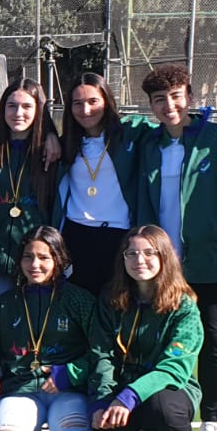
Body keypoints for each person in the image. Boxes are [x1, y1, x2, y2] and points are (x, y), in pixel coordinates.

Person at [135, 64, 217, 431]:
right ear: (149, 105)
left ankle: (213, 418)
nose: (169, 105)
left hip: (208, 262)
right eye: (158, 100)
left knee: (215, 342)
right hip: (160, 268)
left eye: (175, 96)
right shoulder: (149, 145)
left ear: (188, 95)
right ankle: (162, 414)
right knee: (159, 342)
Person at [87, 226, 204, 431]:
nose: (139, 260)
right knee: (98, 415)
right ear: (123, 258)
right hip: (121, 387)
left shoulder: (183, 305)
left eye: (149, 253)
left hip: (168, 391)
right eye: (132, 253)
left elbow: (174, 368)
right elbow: (101, 353)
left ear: (165, 257)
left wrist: (128, 396)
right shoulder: (110, 298)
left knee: (162, 407)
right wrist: (104, 397)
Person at [0, 226, 96, 431]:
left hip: (67, 392)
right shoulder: (4, 305)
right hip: (20, 389)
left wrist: (69, 374)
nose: (34, 264)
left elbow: (102, 352)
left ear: (59, 260)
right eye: (28, 256)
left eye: (44, 257)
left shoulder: (80, 301)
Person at [54, 73, 142, 295]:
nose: (85, 110)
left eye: (93, 101)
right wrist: (48, 135)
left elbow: (168, 127)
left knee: (115, 306)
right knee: (79, 307)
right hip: (76, 236)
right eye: (78, 103)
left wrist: (200, 123)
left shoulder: (128, 136)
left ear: (107, 101)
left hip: (118, 235)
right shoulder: (65, 144)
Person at [0, 79, 60, 301]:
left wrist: (50, 134)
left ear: (39, 110)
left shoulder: (49, 151)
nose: (18, 113)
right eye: (11, 106)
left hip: (37, 257)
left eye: (27, 106)